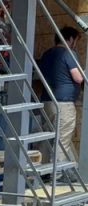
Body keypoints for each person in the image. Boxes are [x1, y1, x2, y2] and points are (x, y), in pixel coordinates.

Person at [38, 27, 83, 164]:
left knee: (48, 137)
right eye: (75, 41)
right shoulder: (69, 53)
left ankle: (43, 170)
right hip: (63, 104)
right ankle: (56, 175)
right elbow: (78, 78)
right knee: (62, 138)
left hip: (46, 101)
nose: (76, 44)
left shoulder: (47, 54)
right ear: (70, 39)